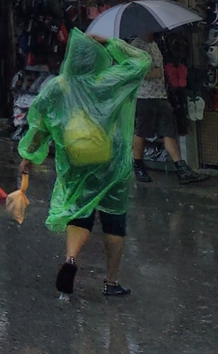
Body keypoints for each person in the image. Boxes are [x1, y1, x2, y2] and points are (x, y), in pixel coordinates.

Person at [18, 30, 150, 299]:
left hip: (76, 161)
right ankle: (111, 282)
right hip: (111, 160)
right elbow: (142, 61)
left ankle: (70, 259)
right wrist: (112, 43)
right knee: (114, 220)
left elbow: (40, 123)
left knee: (80, 212)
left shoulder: (59, 86)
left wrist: (29, 156)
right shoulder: (109, 81)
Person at [130, 34, 205, 184]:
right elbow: (131, 72)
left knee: (168, 131)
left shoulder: (154, 44)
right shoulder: (135, 47)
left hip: (160, 95)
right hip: (145, 97)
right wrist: (151, 74)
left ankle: (181, 168)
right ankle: (138, 165)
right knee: (142, 131)